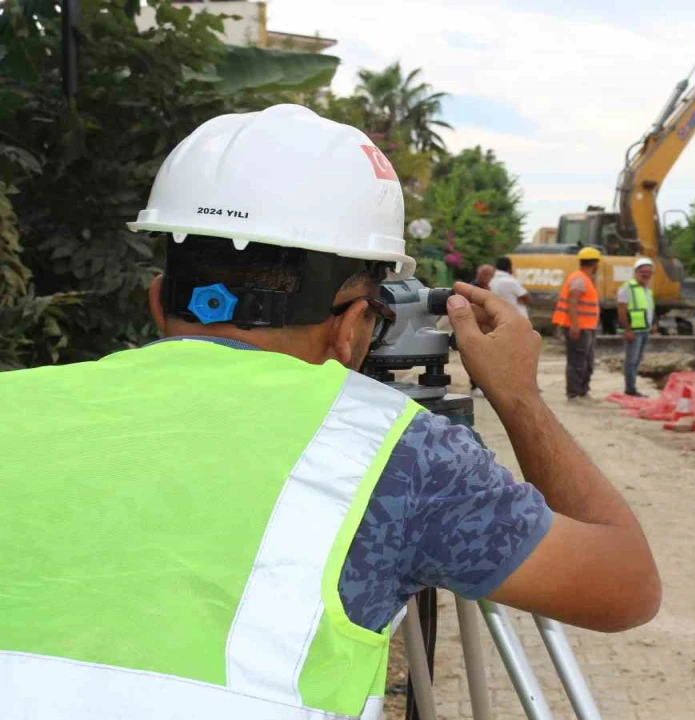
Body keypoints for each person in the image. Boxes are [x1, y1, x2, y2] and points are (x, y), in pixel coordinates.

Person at [0, 105, 660, 720]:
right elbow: (626, 585)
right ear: (351, 328)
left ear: (156, 299)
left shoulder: (13, 403)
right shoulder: (399, 459)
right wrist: (519, 396)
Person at [552, 247, 601, 400]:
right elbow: (572, 302)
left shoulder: (583, 279)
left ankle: (582, 391)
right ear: (595, 263)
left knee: (587, 362)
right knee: (577, 362)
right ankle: (574, 393)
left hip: (587, 327)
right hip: (579, 328)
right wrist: (575, 325)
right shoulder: (579, 279)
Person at [617, 257, 656, 397]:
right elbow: (621, 310)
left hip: (644, 329)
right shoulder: (627, 288)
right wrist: (627, 330)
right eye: (643, 272)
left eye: (648, 272)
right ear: (636, 272)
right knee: (631, 361)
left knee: (637, 360)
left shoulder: (647, 289)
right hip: (634, 331)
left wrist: (653, 323)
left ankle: (632, 387)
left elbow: (650, 308)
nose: (646, 274)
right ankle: (630, 389)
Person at [469, 263, 496, 397]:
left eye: (490, 275)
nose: (488, 277)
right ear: (478, 274)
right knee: (476, 358)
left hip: (486, 329)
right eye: (486, 274)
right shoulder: (472, 288)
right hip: (475, 328)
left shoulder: (489, 288)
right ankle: (475, 385)